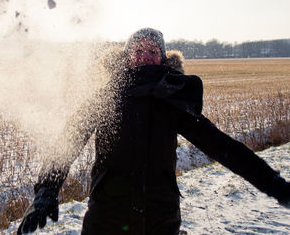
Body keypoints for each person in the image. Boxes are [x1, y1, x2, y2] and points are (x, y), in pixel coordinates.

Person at [17, 28, 290, 235]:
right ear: (128, 57)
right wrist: (46, 190)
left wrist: (273, 184)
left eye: (152, 52)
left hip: (160, 219)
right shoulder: (107, 97)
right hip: (107, 217)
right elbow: (70, 140)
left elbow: (223, 147)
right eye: (138, 51)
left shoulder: (172, 101)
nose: (144, 57)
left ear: (162, 59)